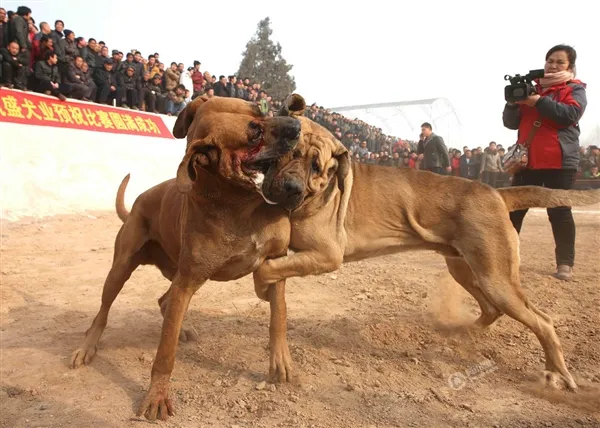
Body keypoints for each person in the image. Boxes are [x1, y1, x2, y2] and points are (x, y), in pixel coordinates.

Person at [502, 44, 587, 281]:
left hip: (559, 162)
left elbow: (569, 115)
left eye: (560, 61)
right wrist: (512, 102)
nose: (553, 65)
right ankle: (502, 258)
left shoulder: (575, 89)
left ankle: (564, 264)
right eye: (550, 60)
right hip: (527, 162)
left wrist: (537, 101)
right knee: (513, 212)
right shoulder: (530, 89)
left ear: (570, 66)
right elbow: (510, 123)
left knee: (559, 213)